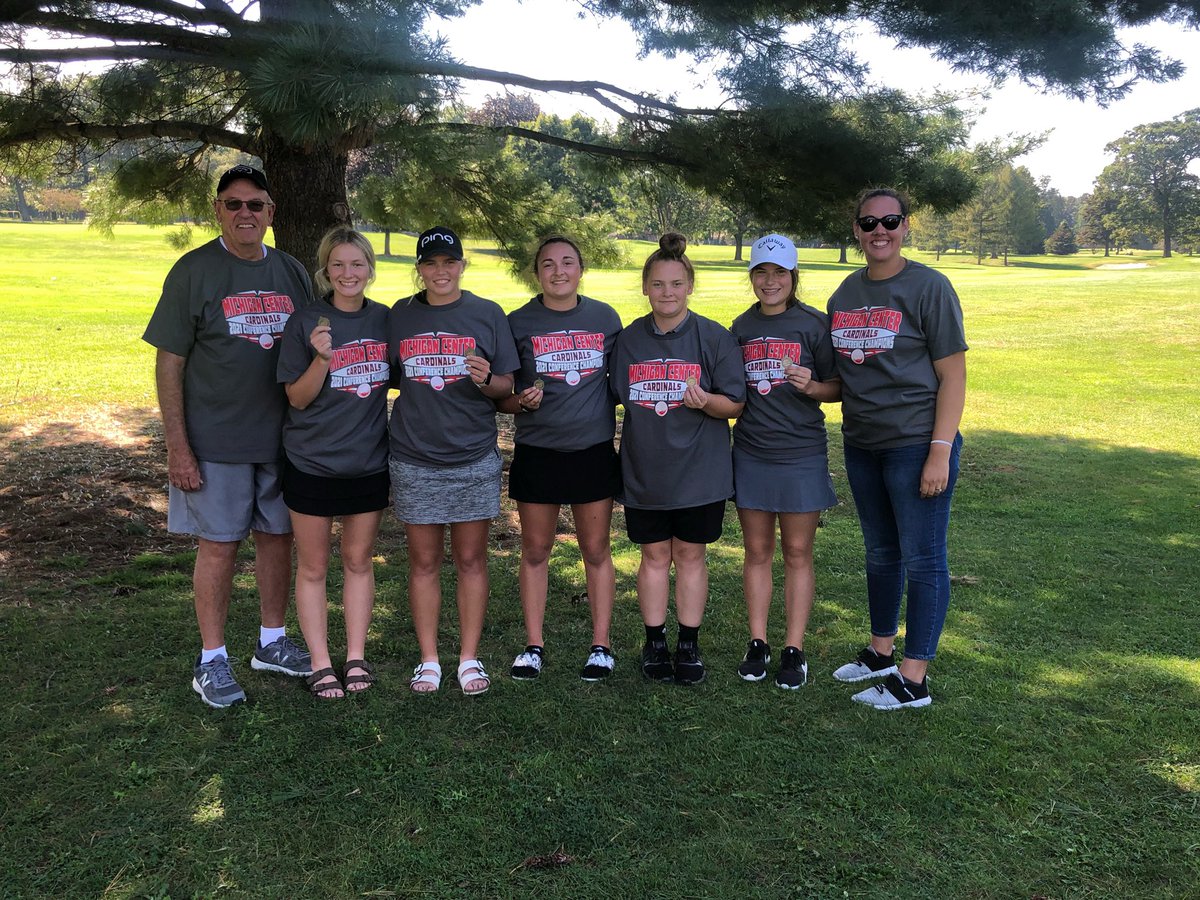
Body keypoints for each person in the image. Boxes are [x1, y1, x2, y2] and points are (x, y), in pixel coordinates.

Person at [142, 164, 315, 708]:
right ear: (217, 209)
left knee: (277, 538)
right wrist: (178, 446)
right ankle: (211, 659)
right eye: (234, 203)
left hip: (284, 441)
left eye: (256, 204)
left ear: (271, 212)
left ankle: (272, 641)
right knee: (218, 546)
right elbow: (169, 363)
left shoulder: (291, 272)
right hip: (216, 440)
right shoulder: (194, 271)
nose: (245, 213)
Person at [826, 187, 968, 710]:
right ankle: (880, 651)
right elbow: (847, 376)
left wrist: (939, 449)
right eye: (868, 222)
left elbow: (952, 374)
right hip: (863, 442)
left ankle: (913, 679)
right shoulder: (844, 293)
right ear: (856, 230)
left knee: (924, 559)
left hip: (915, 441)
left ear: (906, 225)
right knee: (881, 553)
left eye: (890, 220)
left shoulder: (928, 286)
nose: (878, 231)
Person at [388, 226, 519, 696]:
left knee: (470, 559)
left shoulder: (486, 314)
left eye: (449, 262)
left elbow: (506, 386)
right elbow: (382, 374)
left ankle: (467, 657)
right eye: (430, 263)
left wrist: (487, 380)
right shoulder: (399, 316)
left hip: (471, 455)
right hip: (414, 455)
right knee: (423, 562)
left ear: (462, 265)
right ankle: (429, 659)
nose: (440, 271)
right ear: (419, 269)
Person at [611, 232, 747, 685]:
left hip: (699, 473)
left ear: (689, 286)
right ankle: (655, 641)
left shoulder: (713, 337)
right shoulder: (628, 340)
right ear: (645, 288)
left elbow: (735, 404)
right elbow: (612, 396)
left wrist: (706, 400)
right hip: (646, 470)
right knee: (652, 557)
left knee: (690, 555)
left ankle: (688, 642)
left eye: (675, 284)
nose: (667, 293)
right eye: (657, 284)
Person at [497, 235, 623, 682]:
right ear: (537, 273)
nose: (558, 271)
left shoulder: (605, 318)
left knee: (596, 550)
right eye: (548, 264)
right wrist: (520, 402)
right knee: (534, 551)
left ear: (581, 269)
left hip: (591, 452)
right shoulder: (518, 322)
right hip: (538, 452)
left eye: (568, 262)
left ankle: (601, 645)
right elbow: (502, 397)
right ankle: (533, 645)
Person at [277, 227, 390, 699]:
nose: (349, 273)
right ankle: (321, 663)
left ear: (370, 268)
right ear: (326, 269)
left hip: (367, 462)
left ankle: (356, 657)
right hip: (311, 462)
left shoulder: (386, 320)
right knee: (313, 567)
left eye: (357, 264)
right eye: (339, 265)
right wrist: (322, 359)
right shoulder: (305, 322)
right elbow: (296, 400)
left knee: (359, 561)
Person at [730, 234, 840, 689]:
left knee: (797, 552)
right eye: (761, 272)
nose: (770, 281)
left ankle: (794, 648)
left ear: (794, 276)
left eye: (779, 272)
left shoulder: (815, 325)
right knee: (757, 552)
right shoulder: (738, 327)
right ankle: (758, 642)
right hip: (752, 451)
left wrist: (812, 387)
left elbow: (839, 388)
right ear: (752, 276)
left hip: (801, 452)